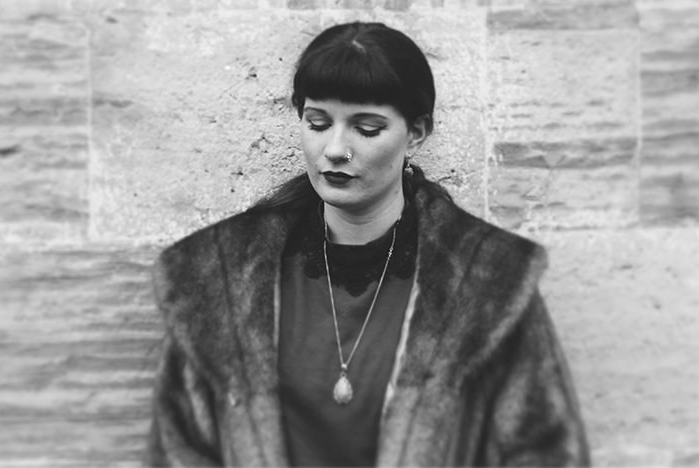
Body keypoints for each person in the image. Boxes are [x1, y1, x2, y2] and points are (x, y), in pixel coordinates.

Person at [145, 22, 590, 467]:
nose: (335, 149)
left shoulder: (488, 280)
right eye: (318, 123)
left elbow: (547, 452)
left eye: (368, 128)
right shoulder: (220, 276)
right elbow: (178, 450)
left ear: (416, 131)